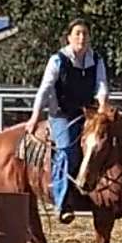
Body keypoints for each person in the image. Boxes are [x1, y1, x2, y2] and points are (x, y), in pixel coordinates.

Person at [26, 18, 109, 223]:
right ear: (69, 37)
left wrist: (102, 104)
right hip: (61, 114)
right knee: (67, 149)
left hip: (87, 113)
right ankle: (62, 202)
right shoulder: (58, 60)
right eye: (78, 33)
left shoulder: (96, 60)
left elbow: (101, 85)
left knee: (102, 144)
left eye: (85, 34)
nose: (82, 37)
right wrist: (35, 116)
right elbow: (45, 89)